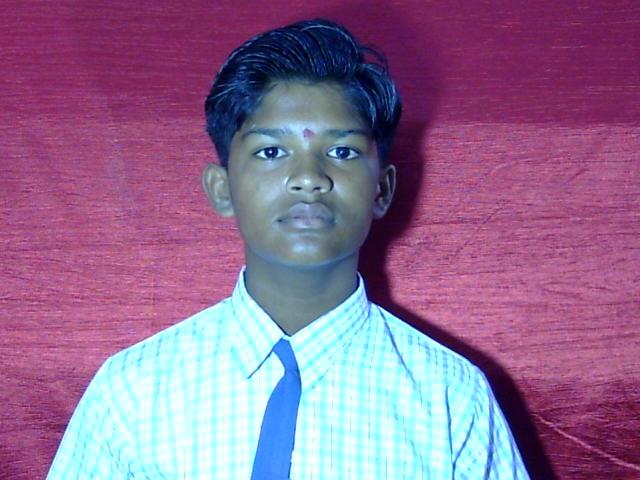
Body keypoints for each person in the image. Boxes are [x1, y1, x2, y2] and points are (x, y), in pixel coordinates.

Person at [47, 19, 530, 479]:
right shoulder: (131, 393)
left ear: (382, 190)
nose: (308, 178)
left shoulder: (450, 399)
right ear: (221, 188)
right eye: (271, 152)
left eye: (341, 152)